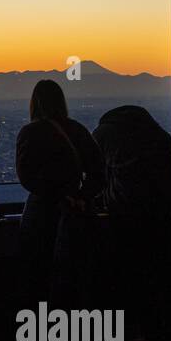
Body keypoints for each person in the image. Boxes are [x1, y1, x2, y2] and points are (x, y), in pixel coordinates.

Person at [93, 105, 171, 341]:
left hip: (130, 217)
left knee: (129, 281)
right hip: (170, 215)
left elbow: (93, 174)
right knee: (168, 282)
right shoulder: (157, 137)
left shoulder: (103, 134)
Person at [14, 80, 104, 314]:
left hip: (41, 215)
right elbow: (98, 172)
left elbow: (26, 178)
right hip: (76, 214)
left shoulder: (29, 132)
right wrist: (80, 196)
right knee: (73, 279)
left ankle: (40, 336)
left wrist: (52, 193)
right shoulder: (77, 130)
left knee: (37, 277)